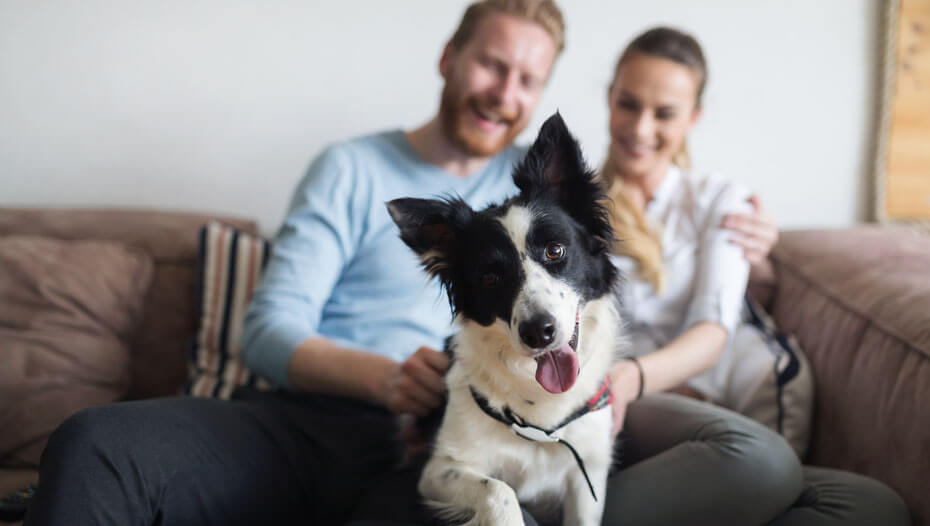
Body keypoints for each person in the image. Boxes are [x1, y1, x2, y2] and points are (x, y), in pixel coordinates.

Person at [20, 3, 831, 526]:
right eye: (489, 63)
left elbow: (624, 216)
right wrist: (378, 378)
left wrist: (756, 243)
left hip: (456, 447)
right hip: (309, 420)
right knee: (97, 442)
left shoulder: (534, 186)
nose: (502, 91)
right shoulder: (353, 168)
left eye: (527, 79)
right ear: (449, 56)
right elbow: (268, 326)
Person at [597, 26, 910, 525]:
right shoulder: (571, 209)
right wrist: (629, 382)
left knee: (874, 507)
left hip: (681, 403)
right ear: (609, 98)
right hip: (619, 405)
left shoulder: (721, 201)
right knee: (759, 461)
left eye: (665, 113)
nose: (640, 128)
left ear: (694, 117)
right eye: (629, 104)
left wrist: (639, 376)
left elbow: (713, 332)